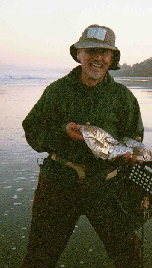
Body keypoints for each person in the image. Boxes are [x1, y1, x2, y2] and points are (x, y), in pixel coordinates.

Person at [21, 24, 144, 268]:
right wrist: (63, 132)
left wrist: (133, 152)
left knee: (128, 257)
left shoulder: (122, 97)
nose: (97, 57)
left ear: (112, 58)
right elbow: (32, 130)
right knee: (39, 258)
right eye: (90, 50)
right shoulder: (57, 91)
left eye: (104, 52)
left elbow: (134, 135)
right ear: (79, 54)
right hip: (59, 183)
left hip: (107, 185)